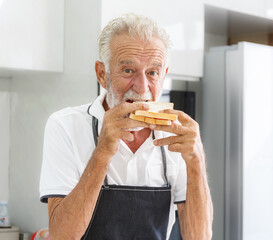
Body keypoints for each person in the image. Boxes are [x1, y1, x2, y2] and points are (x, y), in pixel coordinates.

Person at [39, 13, 213, 240]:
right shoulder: (65, 126)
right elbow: (61, 236)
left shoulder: (176, 136)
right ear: (102, 74)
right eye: (128, 70)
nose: (142, 87)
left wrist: (196, 160)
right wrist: (102, 153)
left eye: (152, 72)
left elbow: (198, 237)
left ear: (164, 75)